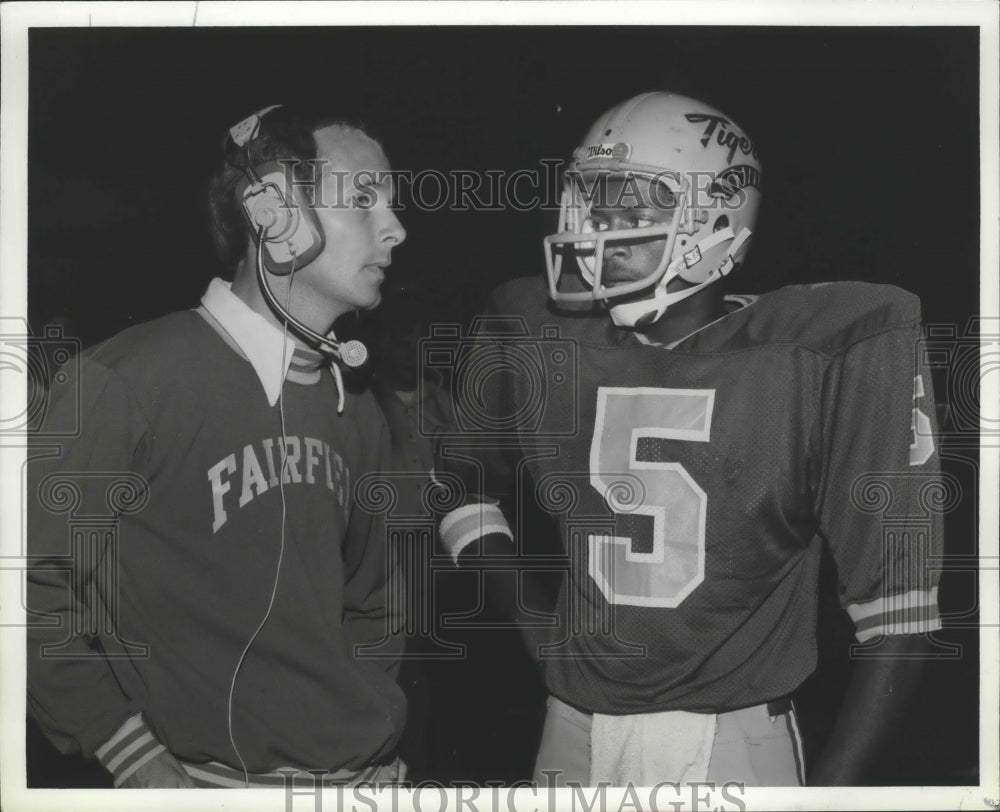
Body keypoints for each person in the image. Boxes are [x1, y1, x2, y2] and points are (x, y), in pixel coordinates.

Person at [436, 91, 943, 787]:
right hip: (571, 729)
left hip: (729, 740)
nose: (600, 230)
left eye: (634, 209)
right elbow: (459, 482)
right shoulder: (540, 332)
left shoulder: (816, 352)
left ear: (716, 223)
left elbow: (899, 614)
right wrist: (538, 627)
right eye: (594, 204)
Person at [26, 105, 408, 788]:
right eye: (363, 199)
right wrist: (131, 755)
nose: (396, 229)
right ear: (274, 212)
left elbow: (375, 605)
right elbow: (26, 590)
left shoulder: (361, 407)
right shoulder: (123, 382)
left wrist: (352, 743)